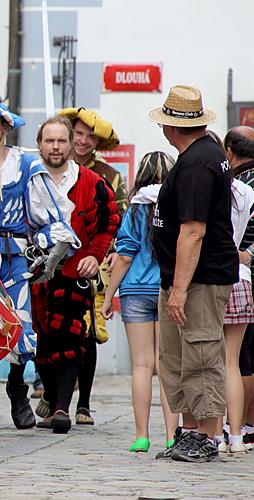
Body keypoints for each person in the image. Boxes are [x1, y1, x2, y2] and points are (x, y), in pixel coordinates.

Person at [0, 101, 80, 434]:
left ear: (5, 127)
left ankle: (16, 386)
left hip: (13, 259)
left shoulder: (26, 166)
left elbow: (49, 218)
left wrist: (46, 251)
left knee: (18, 329)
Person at [149, 85, 238, 462]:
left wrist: (180, 289)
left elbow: (193, 230)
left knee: (201, 354)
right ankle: (189, 432)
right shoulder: (200, 156)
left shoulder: (199, 163)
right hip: (183, 278)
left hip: (199, 280)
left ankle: (207, 436)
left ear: (170, 127)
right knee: (176, 357)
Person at [31, 115, 119, 434]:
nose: (56, 147)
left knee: (70, 337)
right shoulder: (29, 179)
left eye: (61, 141)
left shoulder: (91, 182)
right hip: (36, 272)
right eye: (49, 141)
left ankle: (62, 408)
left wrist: (94, 256)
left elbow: (109, 222)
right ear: (40, 144)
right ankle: (51, 399)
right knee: (43, 339)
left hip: (74, 270)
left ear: (71, 144)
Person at [101, 151, 179, 452]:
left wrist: (109, 297)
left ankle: (142, 435)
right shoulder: (177, 206)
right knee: (168, 365)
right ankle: (173, 434)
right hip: (169, 289)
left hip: (135, 291)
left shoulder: (134, 210)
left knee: (141, 365)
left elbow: (122, 256)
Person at [59, 107, 128, 425]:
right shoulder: (54, 167)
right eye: (79, 134)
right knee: (56, 331)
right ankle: (54, 396)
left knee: (87, 332)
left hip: (96, 263)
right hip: (57, 260)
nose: (84, 141)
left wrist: (112, 254)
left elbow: (121, 222)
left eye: (91, 136)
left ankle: (83, 403)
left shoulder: (109, 176)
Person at [215, 126, 254, 454]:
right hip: (243, 279)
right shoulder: (246, 193)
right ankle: (239, 435)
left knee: (214, 361)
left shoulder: (223, 189)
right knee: (237, 362)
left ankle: (214, 432)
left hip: (216, 278)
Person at [229, 126, 254, 450]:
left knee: (238, 359)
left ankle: (241, 426)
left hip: (238, 275)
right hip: (243, 275)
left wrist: (247, 255)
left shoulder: (236, 188)